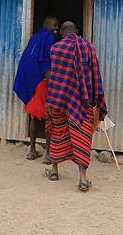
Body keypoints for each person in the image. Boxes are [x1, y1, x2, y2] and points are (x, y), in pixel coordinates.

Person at [44, 21, 107, 192]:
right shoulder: (88, 47)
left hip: (58, 101)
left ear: (62, 33)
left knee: (57, 133)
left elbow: (54, 78)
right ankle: (83, 179)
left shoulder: (55, 49)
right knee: (83, 139)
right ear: (77, 31)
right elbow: (95, 75)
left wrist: (49, 101)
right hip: (81, 102)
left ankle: (54, 171)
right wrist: (97, 100)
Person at [13, 16, 59, 161]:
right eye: (54, 25)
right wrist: (50, 81)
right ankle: (48, 154)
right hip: (41, 82)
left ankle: (32, 150)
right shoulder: (49, 38)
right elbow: (47, 61)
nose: (56, 28)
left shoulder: (35, 38)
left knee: (33, 117)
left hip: (30, 82)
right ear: (47, 25)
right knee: (48, 117)